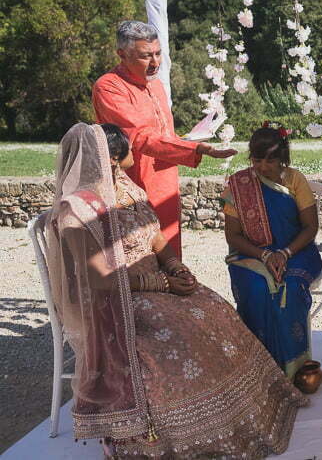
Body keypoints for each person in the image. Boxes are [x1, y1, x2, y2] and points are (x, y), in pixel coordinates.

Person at [44, 123, 306, 458]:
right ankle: (184, 432)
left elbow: (155, 237)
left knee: (214, 310)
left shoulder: (127, 188)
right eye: (126, 148)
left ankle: (240, 412)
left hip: (156, 283)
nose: (132, 152)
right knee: (183, 336)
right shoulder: (76, 211)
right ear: (111, 158)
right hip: (119, 299)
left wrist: (174, 267)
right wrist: (161, 284)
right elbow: (99, 281)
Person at [92, 20, 236, 259]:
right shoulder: (108, 87)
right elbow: (139, 137)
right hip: (132, 182)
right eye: (145, 56)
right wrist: (196, 148)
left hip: (166, 176)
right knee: (141, 252)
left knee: (170, 247)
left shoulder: (156, 85)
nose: (155, 62)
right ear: (122, 54)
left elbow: (161, 133)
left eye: (158, 54)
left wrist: (188, 139)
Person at [222, 122, 322, 380]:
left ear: (283, 159)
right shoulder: (239, 185)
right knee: (257, 287)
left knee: (289, 287)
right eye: (257, 160)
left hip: (297, 251)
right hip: (252, 254)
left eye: (271, 160)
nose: (263, 167)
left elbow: (311, 227)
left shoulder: (294, 180)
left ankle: (294, 367)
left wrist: (285, 253)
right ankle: (257, 366)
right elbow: (232, 235)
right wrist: (265, 255)